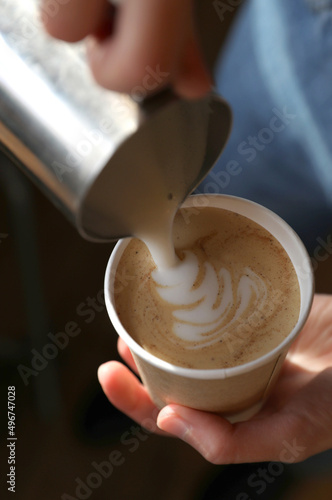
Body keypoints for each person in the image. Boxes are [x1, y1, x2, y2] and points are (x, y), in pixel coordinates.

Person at [41, 0, 332, 464]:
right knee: (217, 195)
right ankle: (162, 385)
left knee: (305, 429)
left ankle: (284, 465)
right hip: (292, 36)